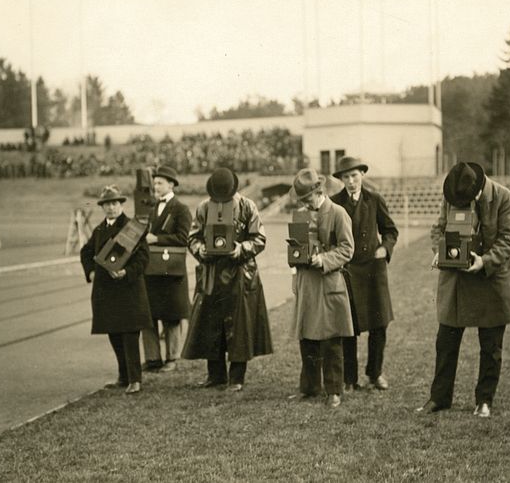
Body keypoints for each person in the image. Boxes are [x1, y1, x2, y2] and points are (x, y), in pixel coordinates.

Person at [418, 162, 510, 418]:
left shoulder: (503, 197)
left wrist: (484, 261)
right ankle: (439, 398)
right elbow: (437, 229)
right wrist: (439, 252)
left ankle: (484, 400)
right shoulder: (451, 197)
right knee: (445, 343)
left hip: (490, 280)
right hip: (457, 284)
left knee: (491, 346)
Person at [182, 168, 273, 391]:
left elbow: (259, 238)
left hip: (240, 273)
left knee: (239, 325)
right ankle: (216, 375)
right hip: (212, 273)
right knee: (211, 324)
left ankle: (237, 377)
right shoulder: (204, 207)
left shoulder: (247, 206)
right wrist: (201, 249)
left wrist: (241, 248)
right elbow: (192, 237)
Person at [331, 156, 398, 391]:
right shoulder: (334, 203)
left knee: (379, 326)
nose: (351, 181)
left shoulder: (375, 199)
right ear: (340, 179)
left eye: (354, 176)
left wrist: (385, 248)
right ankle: (349, 378)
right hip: (347, 272)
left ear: (362, 175)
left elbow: (390, 230)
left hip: (373, 271)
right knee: (348, 326)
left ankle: (375, 373)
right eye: (346, 177)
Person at [289, 168, 355, 408]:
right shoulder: (301, 214)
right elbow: (296, 246)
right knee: (307, 338)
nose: (305, 204)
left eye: (308, 199)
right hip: (306, 284)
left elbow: (347, 249)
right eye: (302, 201)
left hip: (329, 283)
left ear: (319, 191)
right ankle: (309, 387)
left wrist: (324, 260)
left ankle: (334, 390)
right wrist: (294, 261)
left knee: (330, 340)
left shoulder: (338, 213)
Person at [80, 185, 153, 394]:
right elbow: (85, 252)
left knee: (130, 335)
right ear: (102, 207)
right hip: (106, 292)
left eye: (114, 203)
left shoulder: (132, 228)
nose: (110, 208)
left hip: (128, 290)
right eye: (106, 204)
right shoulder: (99, 229)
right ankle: (123, 377)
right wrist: (91, 271)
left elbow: (143, 259)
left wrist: (127, 272)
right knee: (114, 334)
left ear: (121, 204)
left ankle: (135, 379)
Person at [141, 165, 192, 373]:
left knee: (171, 316)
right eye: (154, 183)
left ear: (171, 184)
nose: (156, 186)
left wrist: (157, 239)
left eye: (160, 183)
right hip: (152, 270)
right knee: (149, 315)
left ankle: (172, 358)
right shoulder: (153, 208)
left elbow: (183, 238)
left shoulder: (181, 209)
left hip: (171, 271)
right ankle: (153, 359)